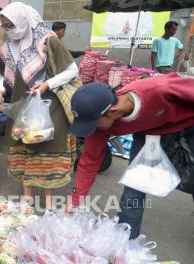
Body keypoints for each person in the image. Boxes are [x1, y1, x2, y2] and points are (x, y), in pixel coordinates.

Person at [68, 73, 194, 239]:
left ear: (112, 112)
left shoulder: (159, 89)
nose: (90, 130)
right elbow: (89, 162)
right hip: (147, 136)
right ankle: (125, 247)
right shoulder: (100, 128)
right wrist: (76, 200)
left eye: (92, 124)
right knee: (133, 194)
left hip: (188, 128)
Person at [0, 2, 79, 210]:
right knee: (23, 150)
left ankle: (49, 204)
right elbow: (3, 75)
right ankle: (27, 197)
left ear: (22, 21)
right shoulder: (9, 46)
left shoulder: (48, 41)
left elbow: (72, 70)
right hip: (21, 105)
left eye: (9, 25)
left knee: (46, 150)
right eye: (4, 26)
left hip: (48, 106)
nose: (7, 30)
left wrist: (48, 83)